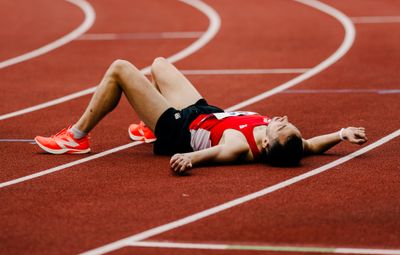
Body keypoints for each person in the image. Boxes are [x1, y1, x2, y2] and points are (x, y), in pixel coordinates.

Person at [35, 58, 367, 173]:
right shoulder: (288, 143)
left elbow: (211, 154)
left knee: (121, 69)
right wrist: (340, 134)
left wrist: (188, 160)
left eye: (281, 124)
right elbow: (309, 146)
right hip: (205, 112)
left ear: (268, 145)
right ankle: (147, 126)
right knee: (161, 64)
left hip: (178, 128)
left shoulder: (239, 145)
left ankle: (76, 137)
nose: (280, 118)